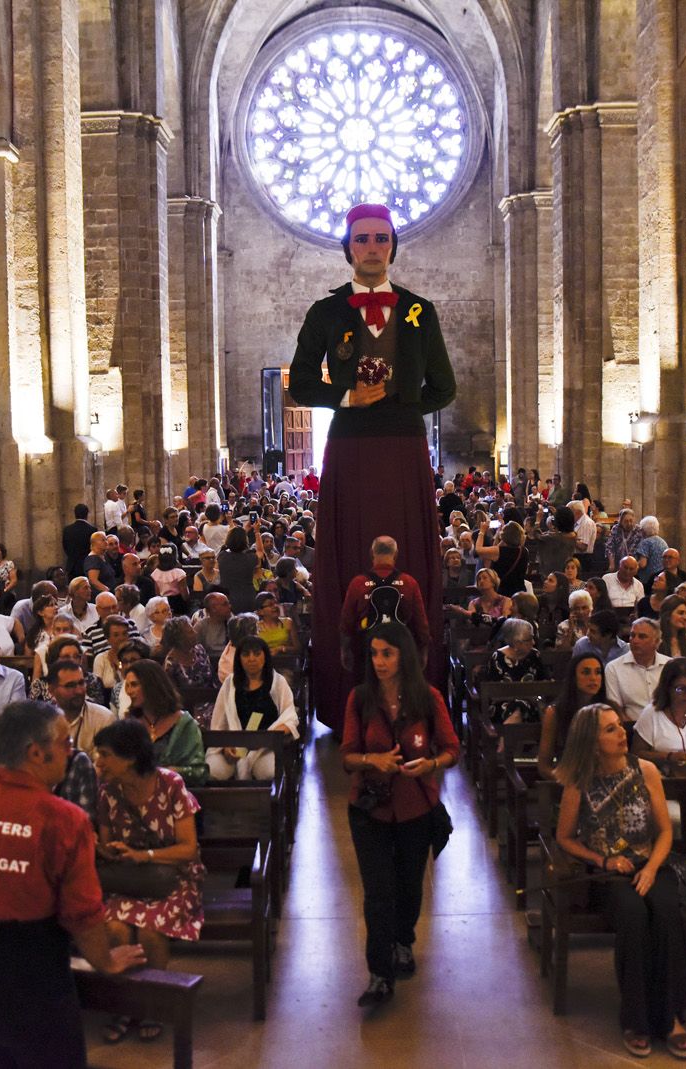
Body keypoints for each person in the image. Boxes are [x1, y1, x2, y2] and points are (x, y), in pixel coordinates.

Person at [288, 203, 456, 733]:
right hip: (350, 447)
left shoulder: (419, 311)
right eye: (362, 239)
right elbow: (299, 383)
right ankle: (348, 700)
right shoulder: (325, 311)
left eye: (381, 238)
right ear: (348, 247)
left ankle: (414, 697)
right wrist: (346, 398)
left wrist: (401, 404)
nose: (372, 247)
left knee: (405, 550)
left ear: (392, 246)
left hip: (403, 447)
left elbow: (444, 388)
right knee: (350, 551)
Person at [0, 700, 146, 1064]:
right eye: (64, 743)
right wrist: (104, 960)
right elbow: (82, 913)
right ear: (36, 753)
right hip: (33, 976)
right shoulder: (64, 820)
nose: (71, 750)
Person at [554, 704, 686, 1059]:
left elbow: (664, 832)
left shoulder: (645, 770)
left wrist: (649, 869)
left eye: (620, 726)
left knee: (665, 911)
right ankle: (636, 1018)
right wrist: (603, 860)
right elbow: (565, 837)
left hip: (653, 864)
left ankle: (673, 1016)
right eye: (611, 730)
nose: (622, 734)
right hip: (610, 872)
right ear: (592, 740)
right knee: (632, 915)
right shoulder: (578, 779)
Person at [340, 621, 459, 1006]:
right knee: (378, 893)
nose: (379, 661)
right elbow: (346, 757)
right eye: (374, 653)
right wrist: (370, 760)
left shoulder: (428, 698)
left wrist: (431, 765)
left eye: (387, 653)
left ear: (403, 656)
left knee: (409, 885)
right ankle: (379, 973)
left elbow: (452, 749)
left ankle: (403, 942)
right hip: (370, 808)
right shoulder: (360, 699)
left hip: (414, 807)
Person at [91, 718, 207, 1043]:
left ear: (129, 757)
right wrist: (108, 850)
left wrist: (146, 856)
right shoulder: (108, 793)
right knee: (114, 928)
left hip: (174, 878)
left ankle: (153, 1003)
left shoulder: (170, 785)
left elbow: (188, 849)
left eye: (104, 754)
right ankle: (125, 1004)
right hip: (130, 879)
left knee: (149, 930)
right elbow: (108, 846)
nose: (98, 762)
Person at [338, 535, 433, 678]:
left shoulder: (358, 583)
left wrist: (345, 650)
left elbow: (346, 622)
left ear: (371, 553)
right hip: (400, 651)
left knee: (369, 695)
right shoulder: (409, 582)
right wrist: (423, 651)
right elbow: (421, 624)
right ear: (396, 554)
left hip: (368, 654)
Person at [208, 636, 300, 780]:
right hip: (233, 746)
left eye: (257, 654)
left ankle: (267, 801)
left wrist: (268, 737)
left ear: (265, 657)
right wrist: (226, 747)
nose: (251, 659)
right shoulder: (229, 684)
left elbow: (290, 716)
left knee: (269, 772)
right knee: (212, 770)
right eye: (246, 654)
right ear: (239, 658)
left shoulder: (278, 682)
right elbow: (219, 723)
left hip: (264, 748)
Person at [124, 658, 208, 786]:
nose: (129, 691)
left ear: (150, 685)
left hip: (176, 794)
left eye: (134, 685)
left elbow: (199, 772)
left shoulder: (183, 723)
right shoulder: (129, 724)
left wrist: (170, 772)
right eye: (127, 685)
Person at [539, 651, 606, 779]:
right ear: (573, 678)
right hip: (570, 779)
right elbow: (544, 766)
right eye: (586, 672)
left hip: (604, 778)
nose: (593, 678)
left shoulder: (609, 709)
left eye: (598, 672)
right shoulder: (554, 712)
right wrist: (564, 780)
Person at [484, 618, 547, 724]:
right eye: (529, 639)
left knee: (524, 708)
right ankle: (506, 739)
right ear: (516, 643)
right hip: (503, 703)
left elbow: (544, 681)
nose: (533, 642)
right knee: (517, 709)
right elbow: (494, 692)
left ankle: (505, 740)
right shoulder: (498, 657)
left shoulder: (534, 655)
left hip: (532, 702)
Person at [604, 618, 670, 719]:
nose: (635, 640)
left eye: (642, 637)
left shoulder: (669, 666)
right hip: (631, 729)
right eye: (632, 635)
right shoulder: (613, 668)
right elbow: (616, 710)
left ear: (656, 642)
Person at [62, 503, 99, 581]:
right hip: (87, 565)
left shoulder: (67, 530)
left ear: (75, 514)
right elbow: (94, 548)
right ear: (87, 514)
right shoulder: (92, 530)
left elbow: (65, 547)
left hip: (72, 566)